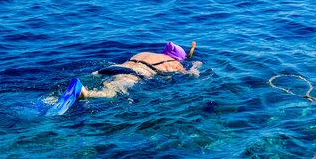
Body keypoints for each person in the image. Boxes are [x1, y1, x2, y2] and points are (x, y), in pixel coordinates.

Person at [47, 41, 202, 115]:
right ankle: (85, 93)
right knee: (111, 91)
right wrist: (195, 66)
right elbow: (191, 75)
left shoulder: (145, 53)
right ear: (178, 58)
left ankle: (53, 97)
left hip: (110, 68)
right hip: (130, 74)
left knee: (94, 79)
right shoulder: (173, 63)